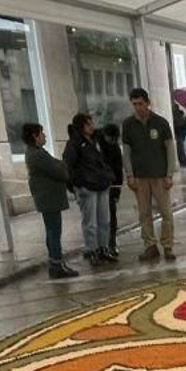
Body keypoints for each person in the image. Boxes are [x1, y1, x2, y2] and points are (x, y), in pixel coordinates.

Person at [120, 87, 177, 262]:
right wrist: (129, 175)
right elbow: (127, 152)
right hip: (140, 177)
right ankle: (150, 246)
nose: (138, 107)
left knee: (166, 212)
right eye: (135, 104)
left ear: (148, 103)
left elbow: (169, 149)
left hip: (159, 175)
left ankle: (167, 245)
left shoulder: (160, 123)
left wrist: (169, 174)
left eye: (141, 104)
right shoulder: (128, 125)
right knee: (144, 214)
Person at [24, 123, 78, 280]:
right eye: (42, 133)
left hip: (50, 197)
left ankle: (57, 262)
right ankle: (56, 264)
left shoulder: (38, 152)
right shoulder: (36, 154)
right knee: (54, 231)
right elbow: (58, 170)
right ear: (35, 136)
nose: (45, 136)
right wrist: (63, 168)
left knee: (54, 230)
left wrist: (60, 165)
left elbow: (57, 163)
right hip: (48, 198)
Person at [63, 113, 116, 266]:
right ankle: (92, 249)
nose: (92, 126)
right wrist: (77, 183)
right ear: (82, 126)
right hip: (87, 186)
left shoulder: (96, 140)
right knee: (90, 221)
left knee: (104, 219)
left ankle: (103, 247)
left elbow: (103, 159)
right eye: (89, 124)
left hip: (101, 183)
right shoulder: (75, 143)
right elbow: (68, 164)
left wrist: (108, 175)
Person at [97, 123, 124, 258]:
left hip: (111, 186)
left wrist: (117, 191)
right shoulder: (95, 144)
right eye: (110, 139)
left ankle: (112, 243)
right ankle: (99, 246)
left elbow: (118, 170)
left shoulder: (115, 149)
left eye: (115, 139)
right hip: (96, 185)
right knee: (98, 217)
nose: (113, 141)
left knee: (112, 215)